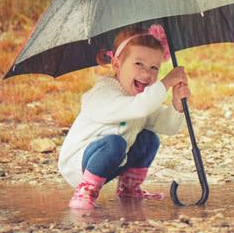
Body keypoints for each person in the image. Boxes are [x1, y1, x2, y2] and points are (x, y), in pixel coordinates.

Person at [58, 24, 189, 209]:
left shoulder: (139, 99)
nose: (147, 74)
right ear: (117, 65)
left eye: (154, 67)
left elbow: (167, 126)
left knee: (149, 139)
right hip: (81, 164)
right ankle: (85, 191)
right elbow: (139, 108)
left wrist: (177, 104)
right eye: (139, 64)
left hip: (114, 162)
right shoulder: (103, 94)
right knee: (115, 143)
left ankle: (129, 188)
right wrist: (166, 82)